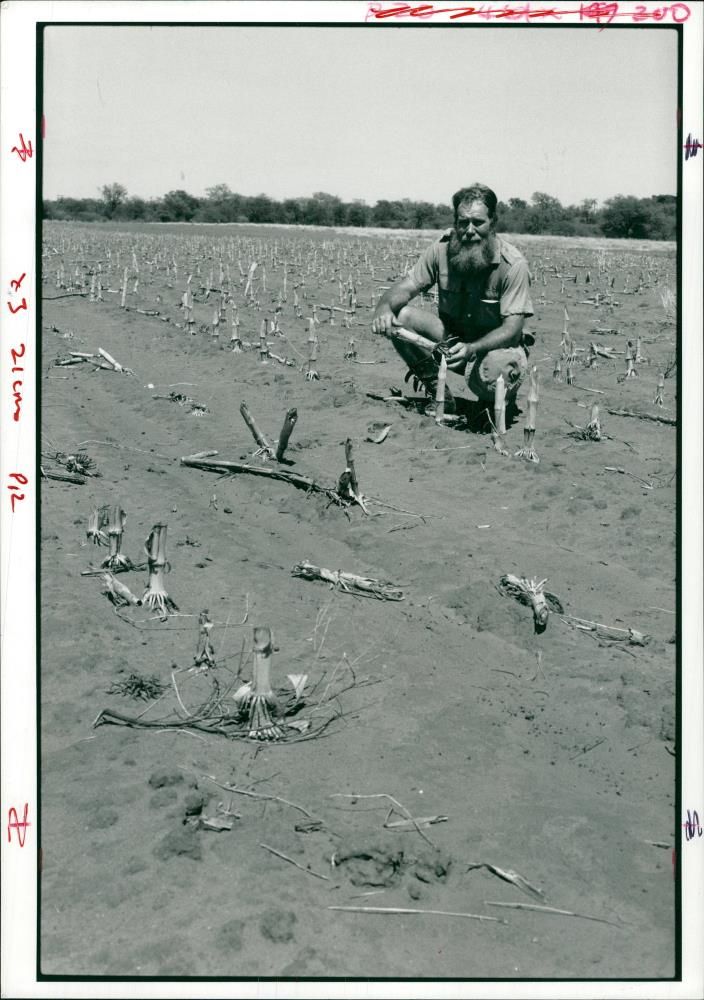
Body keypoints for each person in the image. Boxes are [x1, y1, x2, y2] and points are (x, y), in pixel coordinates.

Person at [371, 183, 534, 414]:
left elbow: (513, 330)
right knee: (401, 317)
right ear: (455, 222)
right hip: (452, 343)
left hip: (494, 351)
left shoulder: (513, 265)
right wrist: (384, 308)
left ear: (493, 222)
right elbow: (406, 287)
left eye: (478, 222)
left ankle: (495, 401)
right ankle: (438, 393)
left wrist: (473, 348)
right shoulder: (441, 250)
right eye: (463, 222)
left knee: (495, 380)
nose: (469, 230)